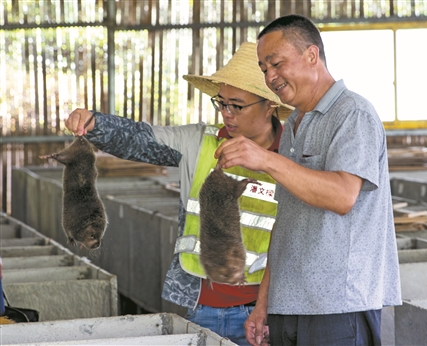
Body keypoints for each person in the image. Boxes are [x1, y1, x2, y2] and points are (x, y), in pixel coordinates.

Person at [64, 42, 292, 346]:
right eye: (220, 103)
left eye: (236, 105)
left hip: (269, 313)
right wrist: (96, 124)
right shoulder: (198, 142)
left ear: (270, 104)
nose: (226, 113)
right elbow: (141, 139)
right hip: (203, 307)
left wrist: (267, 310)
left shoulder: (295, 157)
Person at [214, 15, 402, 346]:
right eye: (264, 68)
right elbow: (285, 224)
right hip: (291, 306)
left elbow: (343, 196)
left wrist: (266, 159)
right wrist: (264, 304)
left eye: (276, 63)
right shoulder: (296, 125)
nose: (270, 76)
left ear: (312, 55)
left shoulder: (353, 114)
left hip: (338, 307)